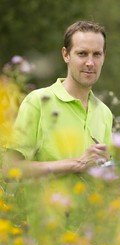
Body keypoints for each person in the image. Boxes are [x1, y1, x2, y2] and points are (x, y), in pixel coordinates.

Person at [3, 20, 113, 180]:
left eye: (97, 54)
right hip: (43, 205)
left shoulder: (104, 112)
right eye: (82, 53)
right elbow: (10, 170)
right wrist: (77, 164)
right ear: (66, 55)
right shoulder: (37, 101)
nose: (90, 63)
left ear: (104, 57)